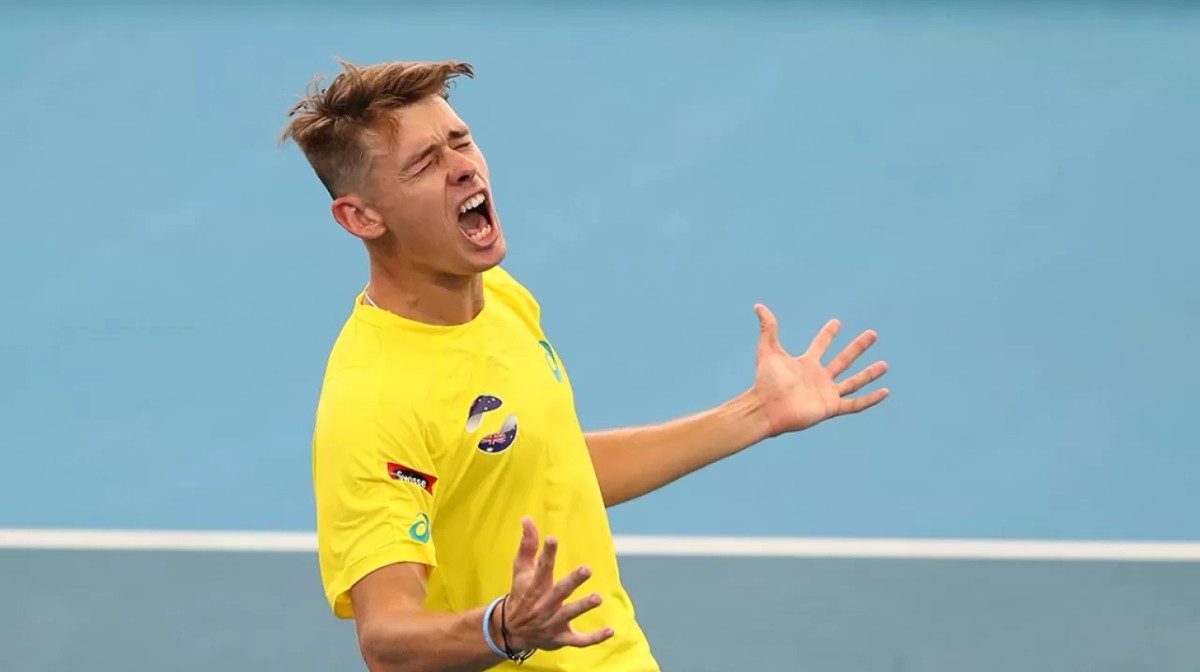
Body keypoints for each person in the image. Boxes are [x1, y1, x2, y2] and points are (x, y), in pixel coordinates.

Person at [281, 59, 889, 672]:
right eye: (424, 163)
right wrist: (506, 627)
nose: (463, 166)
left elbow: (547, 467)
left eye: (460, 141)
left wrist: (756, 413)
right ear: (361, 217)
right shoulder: (374, 400)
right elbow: (387, 639)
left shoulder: (500, 299)